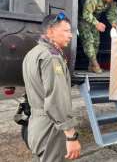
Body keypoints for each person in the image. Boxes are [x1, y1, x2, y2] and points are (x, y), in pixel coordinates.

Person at [22, 13, 81, 162]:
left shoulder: (32, 53)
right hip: (50, 127)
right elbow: (57, 99)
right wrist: (71, 135)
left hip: (36, 124)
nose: (71, 35)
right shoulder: (52, 57)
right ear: (50, 32)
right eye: (66, 31)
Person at [78, 0, 117, 73]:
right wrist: (97, 24)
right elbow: (86, 14)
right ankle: (95, 65)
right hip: (83, 19)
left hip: (94, 21)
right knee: (89, 41)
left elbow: (112, 12)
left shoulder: (110, 1)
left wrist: (113, 23)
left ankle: (90, 66)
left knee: (96, 42)